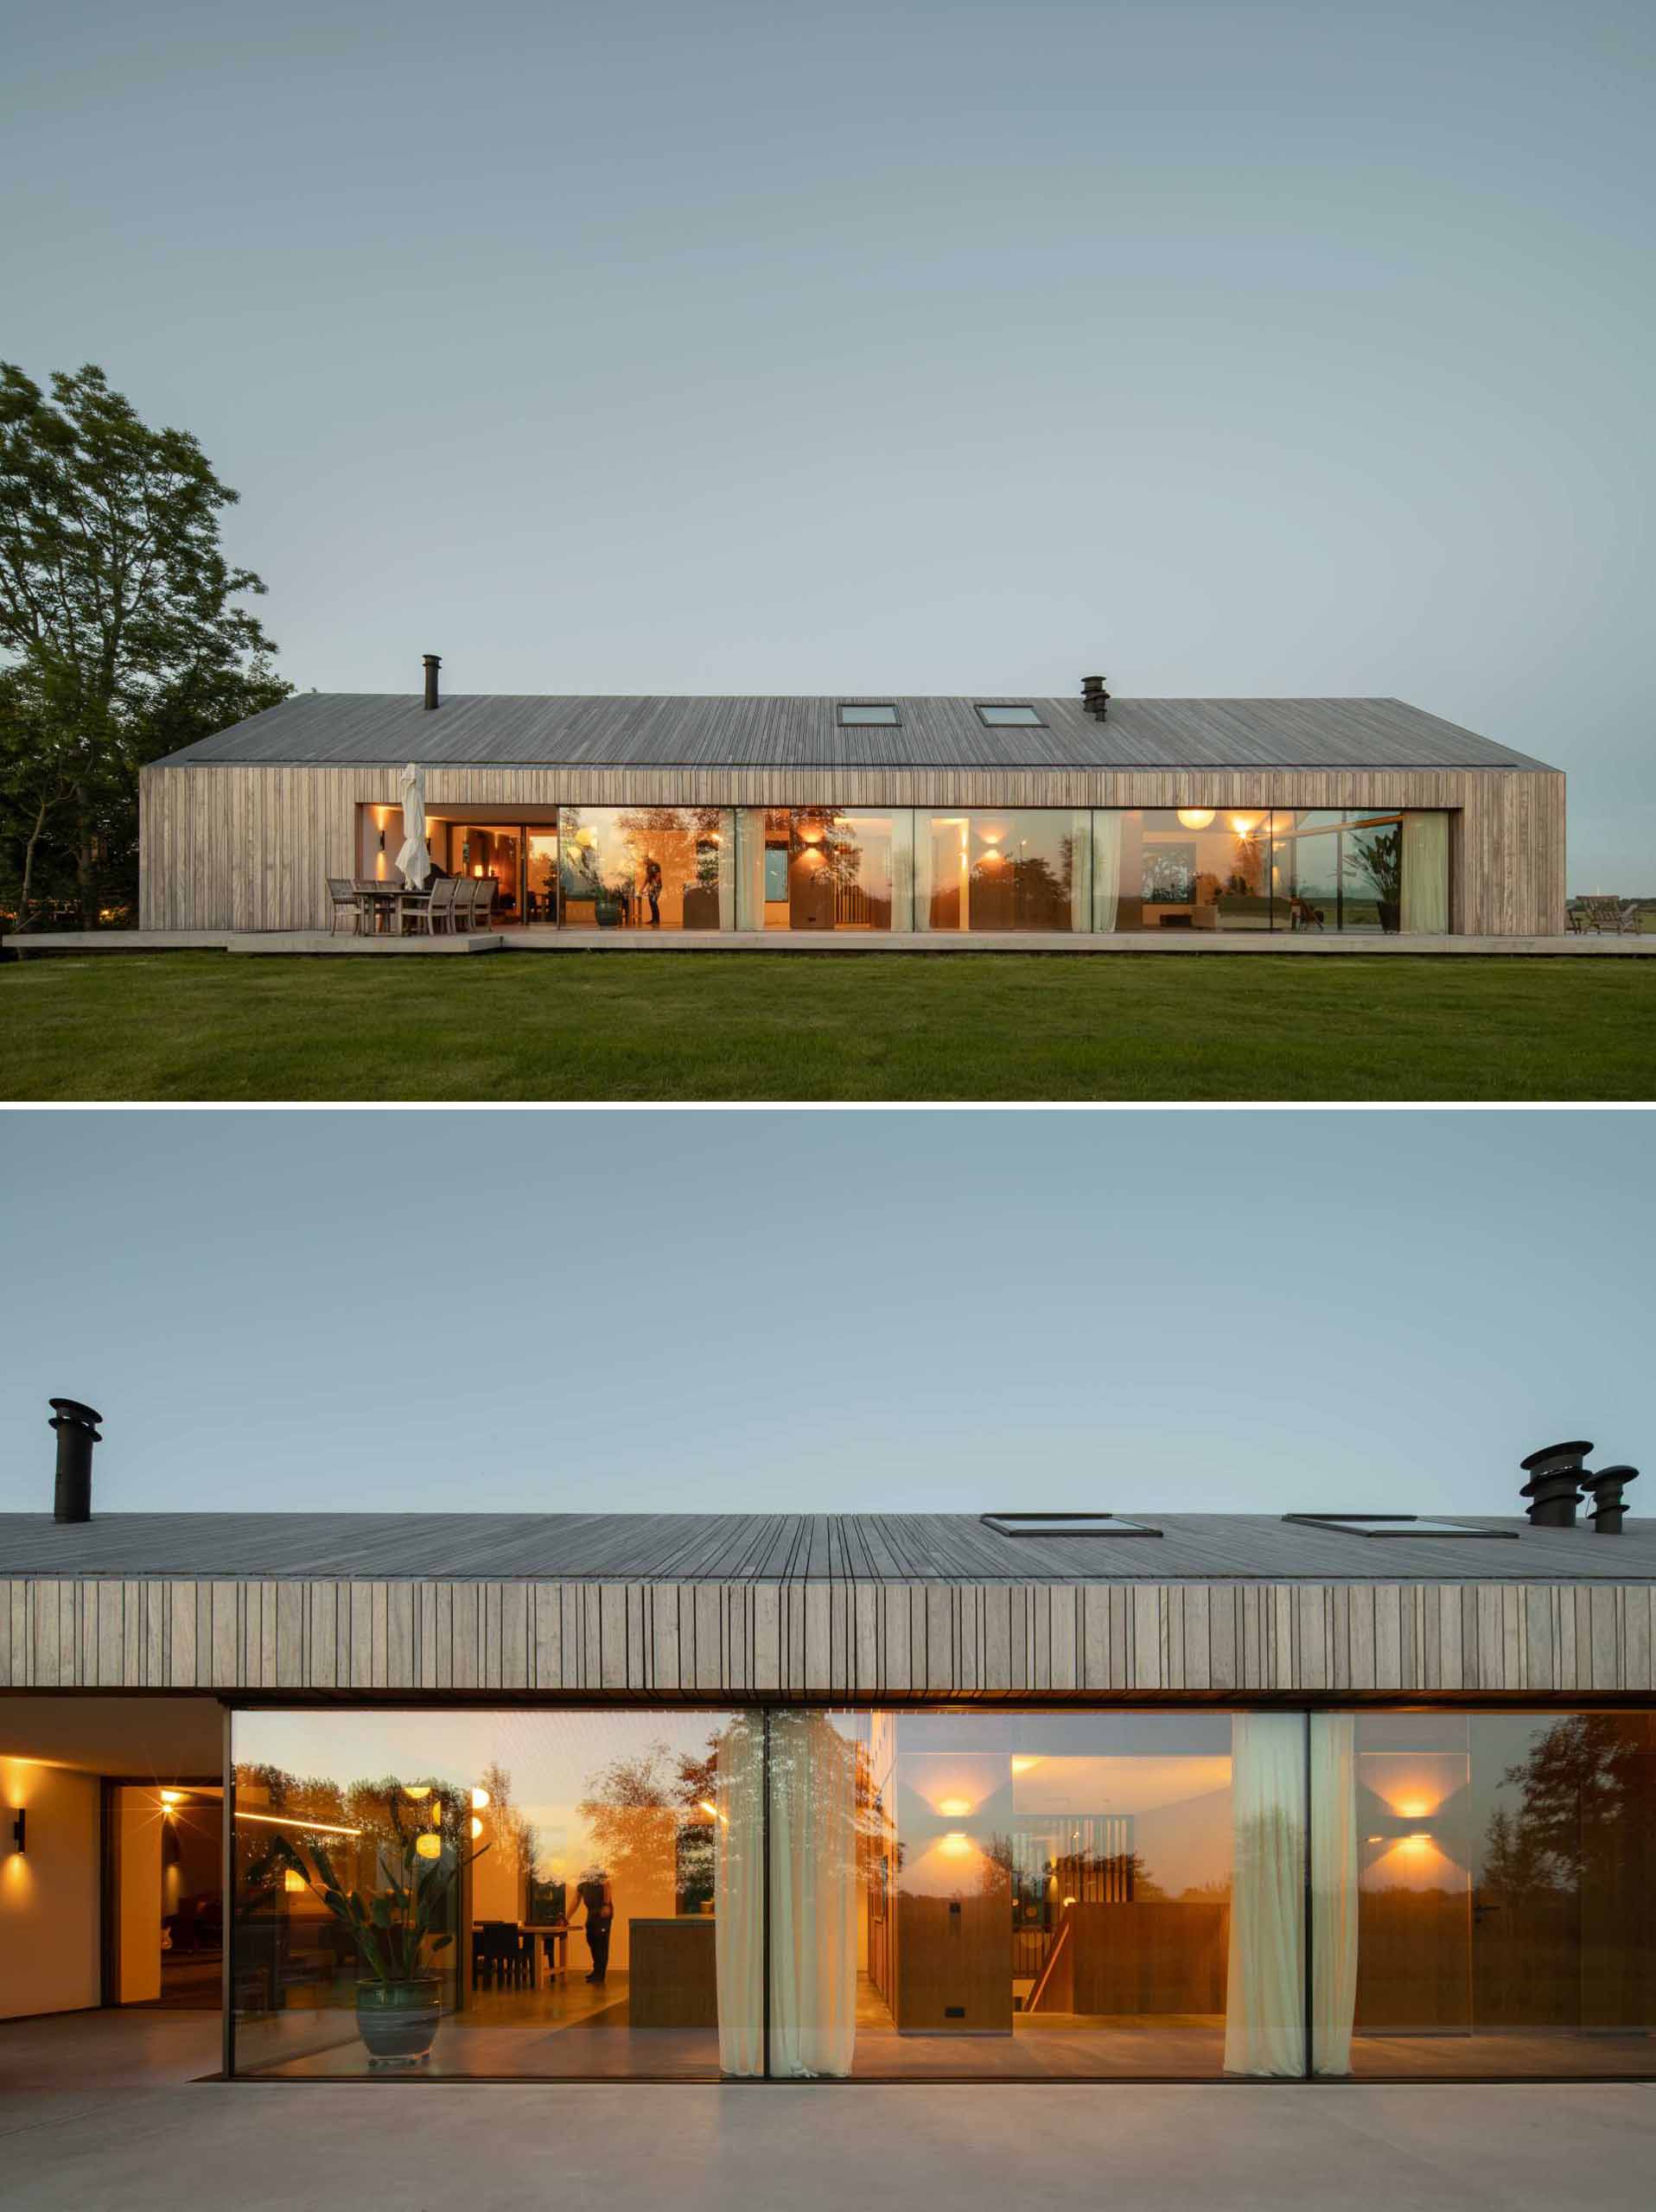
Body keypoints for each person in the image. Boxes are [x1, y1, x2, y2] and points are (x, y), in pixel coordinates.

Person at [577, 1867, 615, 1985]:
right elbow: (575, 1901)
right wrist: (566, 1918)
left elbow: (607, 1885)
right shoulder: (582, 1885)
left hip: (603, 1916)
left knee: (601, 1944)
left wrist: (606, 1904)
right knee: (591, 1941)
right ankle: (596, 1970)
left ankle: (600, 1975)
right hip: (591, 1916)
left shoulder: (602, 1881)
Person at [642, 858, 664, 927]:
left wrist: (654, 886)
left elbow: (658, 876)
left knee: (654, 902)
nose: (646, 865)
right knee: (651, 902)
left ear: (649, 861)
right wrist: (642, 888)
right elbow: (647, 878)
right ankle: (653, 919)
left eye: (646, 863)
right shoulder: (648, 868)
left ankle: (657, 920)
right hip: (651, 887)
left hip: (657, 886)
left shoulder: (656, 865)